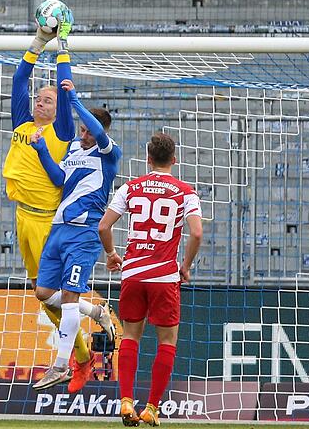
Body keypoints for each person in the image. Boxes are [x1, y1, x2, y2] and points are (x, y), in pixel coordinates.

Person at [3, 16, 113, 391]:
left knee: (55, 299)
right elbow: (19, 81)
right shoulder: (23, 124)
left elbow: (66, 95)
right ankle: (95, 315)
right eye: (39, 97)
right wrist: (38, 42)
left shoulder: (63, 132)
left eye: (47, 99)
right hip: (22, 218)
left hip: (49, 220)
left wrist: (62, 49)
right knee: (44, 296)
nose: (39, 100)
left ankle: (78, 360)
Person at [97, 132, 203, 427]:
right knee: (167, 342)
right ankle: (152, 408)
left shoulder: (130, 188)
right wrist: (185, 265)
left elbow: (104, 226)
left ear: (147, 159)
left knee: (130, 336)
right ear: (174, 159)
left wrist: (112, 255)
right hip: (164, 277)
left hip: (133, 273)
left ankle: (127, 401)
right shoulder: (185, 192)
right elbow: (196, 233)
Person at [29, 78, 121, 393]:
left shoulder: (109, 153)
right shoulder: (72, 149)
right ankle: (96, 312)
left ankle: (60, 365)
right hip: (59, 229)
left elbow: (97, 131)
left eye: (87, 131)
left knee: (68, 297)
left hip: (84, 234)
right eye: (80, 131)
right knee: (43, 292)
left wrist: (76, 102)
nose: (82, 135)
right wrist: (42, 150)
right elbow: (59, 179)